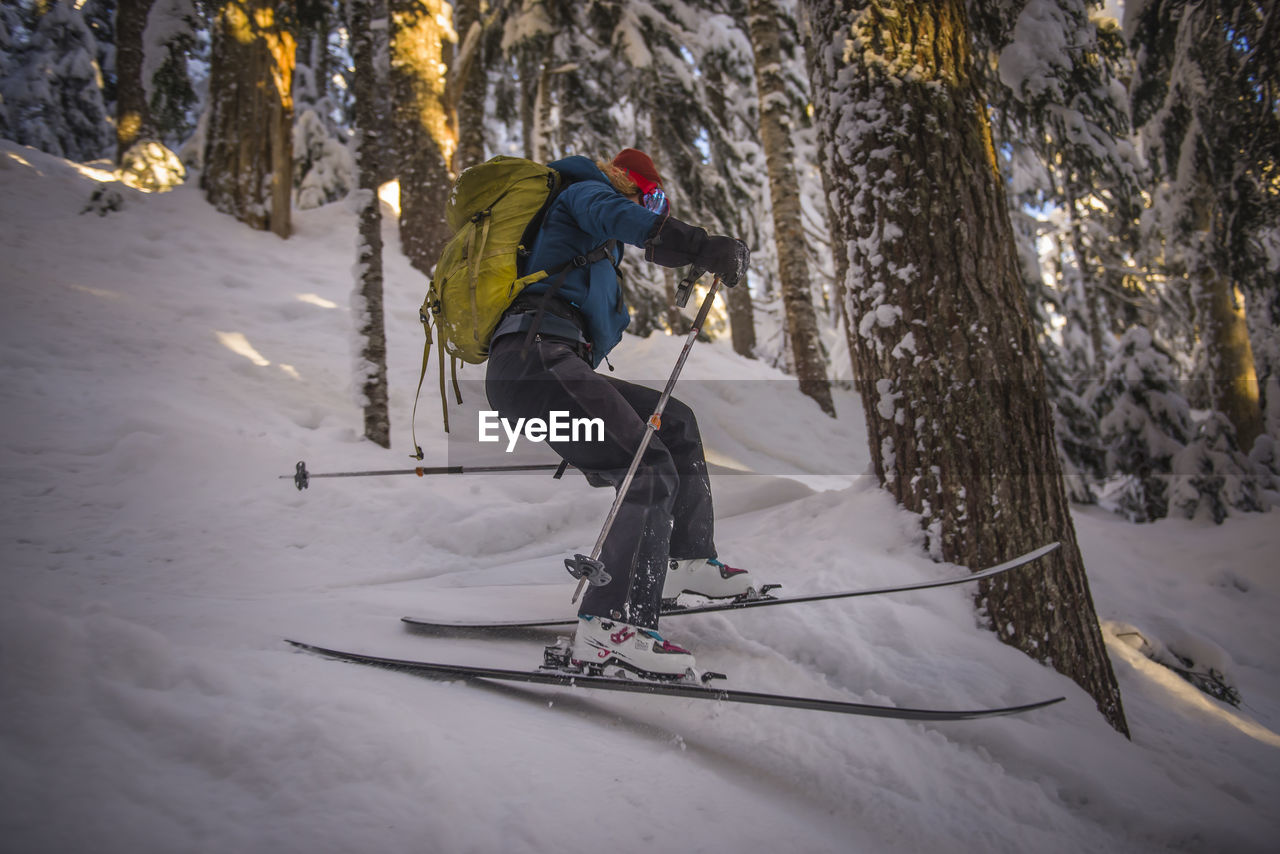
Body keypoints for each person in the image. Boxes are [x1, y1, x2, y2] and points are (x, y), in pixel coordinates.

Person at [484, 148, 752, 680]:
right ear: (630, 184)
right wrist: (694, 243)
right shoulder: (584, 193)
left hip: (552, 361)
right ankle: (611, 628)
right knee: (645, 467)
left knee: (673, 423)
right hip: (531, 363)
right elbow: (622, 219)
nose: (653, 207)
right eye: (652, 197)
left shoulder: (592, 242)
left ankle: (684, 561)